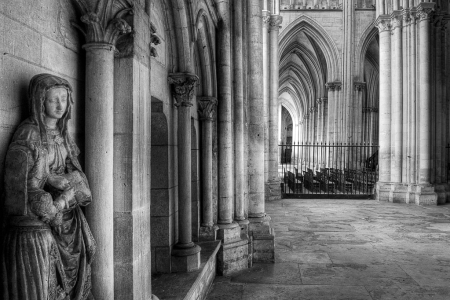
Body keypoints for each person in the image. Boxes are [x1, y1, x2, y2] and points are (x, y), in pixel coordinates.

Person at [2, 74, 96, 300]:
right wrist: (52, 182)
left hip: (68, 217)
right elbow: (24, 184)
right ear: (39, 101)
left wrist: (70, 183)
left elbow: (73, 170)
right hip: (43, 218)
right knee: (47, 277)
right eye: (53, 99)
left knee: (85, 252)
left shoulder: (63, 135)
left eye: (64, 99)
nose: (60, 105)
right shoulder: (30, 133)